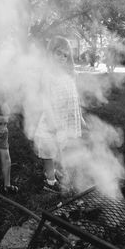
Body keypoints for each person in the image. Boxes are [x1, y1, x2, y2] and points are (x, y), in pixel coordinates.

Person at [34, 35, 85, 193]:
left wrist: (80, 117)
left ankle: (54, 171)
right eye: (59, 53)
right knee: (49, 150)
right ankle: (49, 181)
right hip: (52, 119)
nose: (62, 57)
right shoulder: (47, 75)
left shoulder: (68, 75)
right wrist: (52, 121)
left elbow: (74, 99)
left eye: (65, 55)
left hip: (65, 119)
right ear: (50, 53)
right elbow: (45, 100)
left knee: (59, 147)